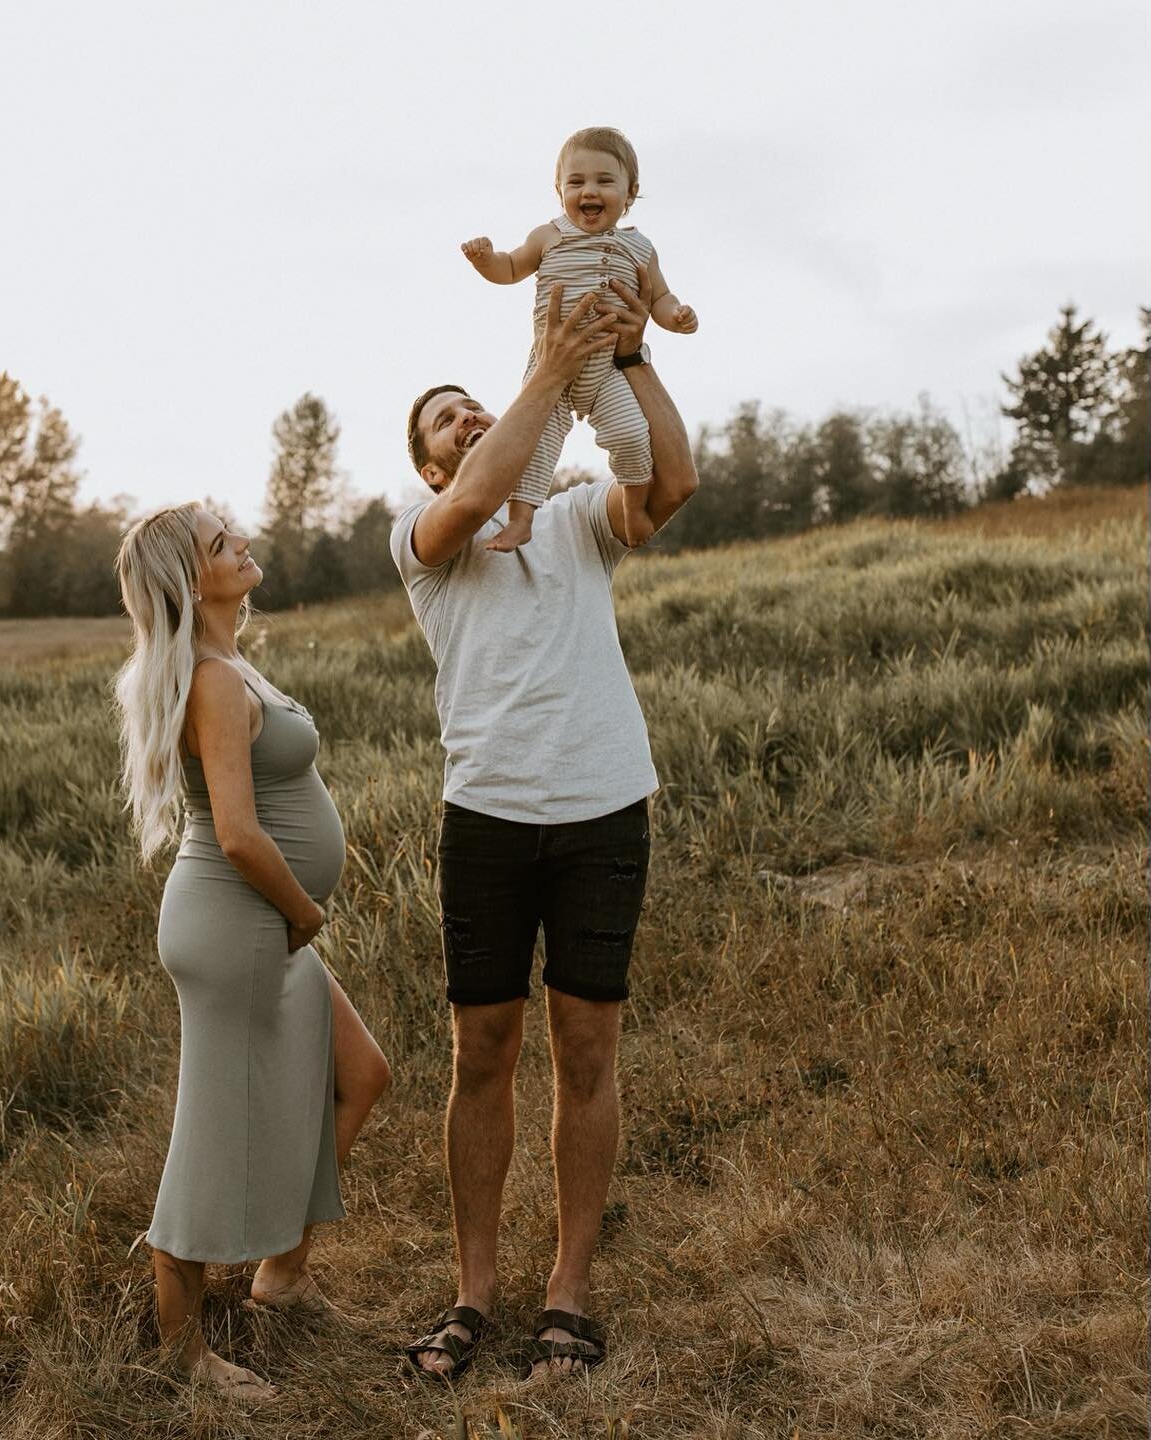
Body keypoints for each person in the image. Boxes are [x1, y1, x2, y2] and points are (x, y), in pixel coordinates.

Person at [391, 270, 698, 1379]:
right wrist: (542, 367)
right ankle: (474, 1292)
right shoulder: (427, 535)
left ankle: (568, 1289)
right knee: (484, 1052)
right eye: (447, 420)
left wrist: (623, 359)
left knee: (586, 1048)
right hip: (485, 818)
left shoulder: (575, 516)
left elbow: (672, 482)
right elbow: (477, 500)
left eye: (475, 403)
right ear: (431, 464)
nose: (469, 416)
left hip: (603, 808)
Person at [113, 504, 389, 1402]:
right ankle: (186, 1356)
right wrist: (304, 912)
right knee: (209, 1140)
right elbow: (236, 833)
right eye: (221, 544)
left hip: (256, 920)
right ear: (195, 581)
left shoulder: (231, 661)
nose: (242, 543)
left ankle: (277, 1270)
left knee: (362, 1074)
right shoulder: (211, 681)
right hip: (237, 922)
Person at [461, 125, 698, 552]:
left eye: (605, 181)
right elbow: (510, 268)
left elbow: (658, 296)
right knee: (536, 440)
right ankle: (521, 521)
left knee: (631, 434)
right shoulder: (548, 236)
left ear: (630, 193)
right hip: (550, 364)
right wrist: (485, 261)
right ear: (559, 190)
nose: (589, 190)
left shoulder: (639, 248)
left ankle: (633, 504)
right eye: (576, 182)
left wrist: (675, 316)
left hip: (609, 367)